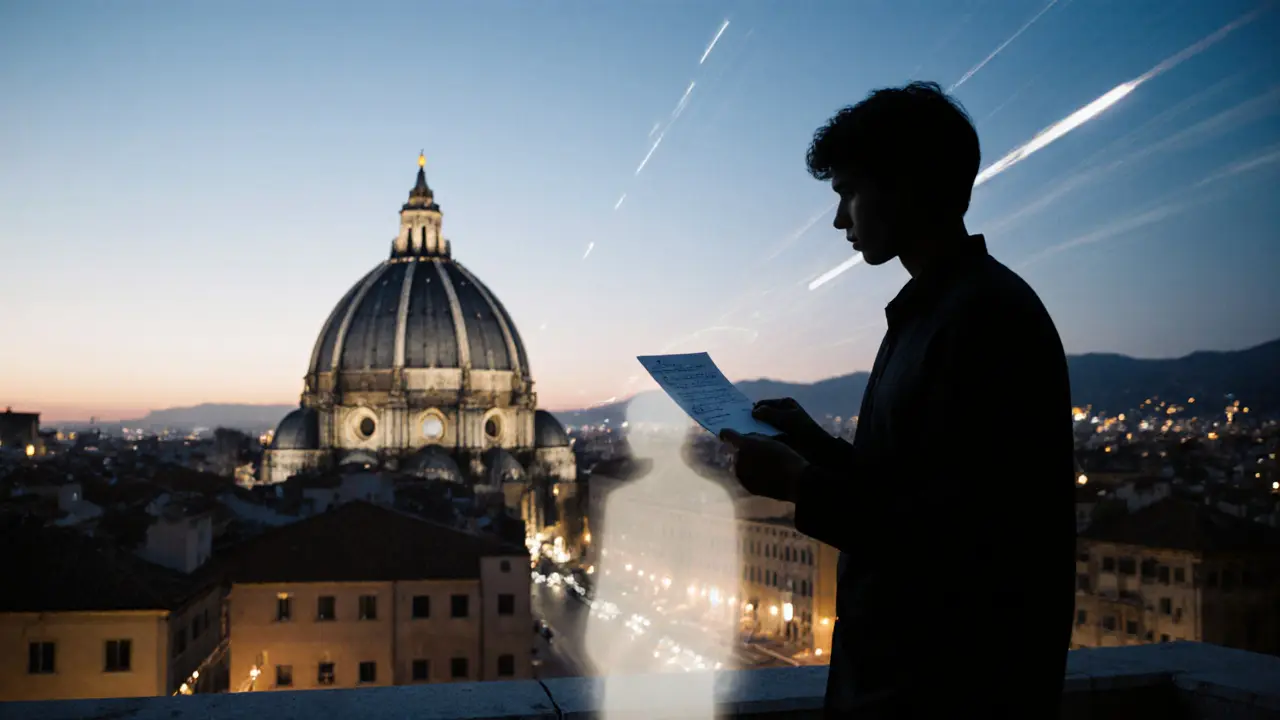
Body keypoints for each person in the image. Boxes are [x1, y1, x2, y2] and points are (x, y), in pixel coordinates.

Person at [721, 81, 1075, 717]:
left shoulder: (982, 321)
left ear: (907, 185)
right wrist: (812, 444)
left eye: (848, 193)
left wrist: (802, 483)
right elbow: (907, 486)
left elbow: (958, 537)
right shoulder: (941, 313)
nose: (839, 220)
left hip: (946, 691)